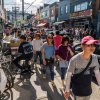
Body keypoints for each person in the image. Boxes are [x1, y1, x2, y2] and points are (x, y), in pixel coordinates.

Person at [64, 36, 100, 100]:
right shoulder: (74, 60)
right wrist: (67, 90)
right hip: (78, 92)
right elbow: (68, 75)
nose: (92, 47)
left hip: (88, 91)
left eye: (93, 45)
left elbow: (97, 73)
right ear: (82, 46)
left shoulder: (94, 58)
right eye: (89, 45)